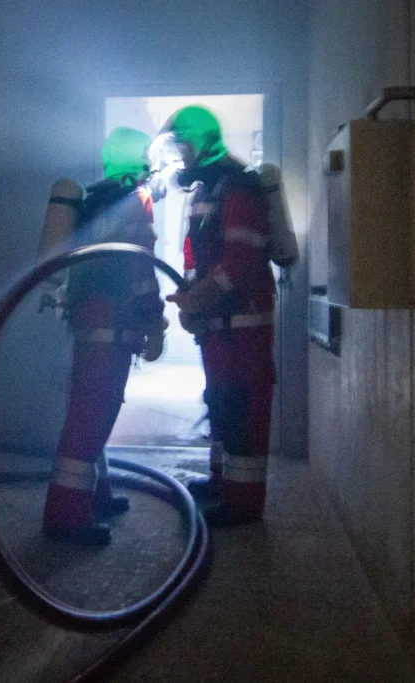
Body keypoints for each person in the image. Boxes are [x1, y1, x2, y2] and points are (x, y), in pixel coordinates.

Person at [41, 126, 168, 545]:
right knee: (91, 413)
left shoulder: (96, 199)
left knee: (91, 407)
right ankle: (65, 516)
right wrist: (154, 322)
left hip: (88, 319)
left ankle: (98, 492)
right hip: (113, 322)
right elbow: (141, 267)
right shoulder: (135, 200)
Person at [160, 106, 275, 525]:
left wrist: (197, 300)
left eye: (183, 144)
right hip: (219, 330)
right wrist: (193, 298)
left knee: (243, 413)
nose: (180, 155)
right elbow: (197, 257)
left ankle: (243, 505)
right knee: (222, 406)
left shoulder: (238, 189)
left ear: (203, 141)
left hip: (244, 330)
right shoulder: (208, 190)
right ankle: (222, 483)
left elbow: (240, 265)